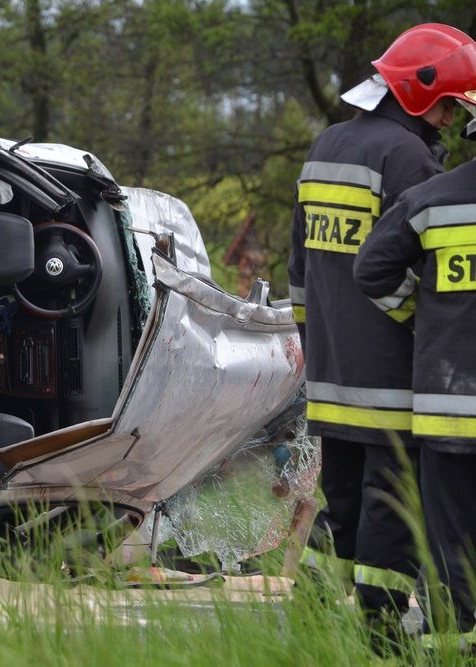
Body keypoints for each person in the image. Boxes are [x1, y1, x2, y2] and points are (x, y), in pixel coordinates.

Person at [288, 23, 476, 635]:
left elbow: (300, 266)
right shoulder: (409, 158)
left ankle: (310, 620)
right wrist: (425, 322)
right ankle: (382, 633)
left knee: (338, 507)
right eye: (450, 103)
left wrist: (313, 343)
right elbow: (414, 265)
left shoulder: (327, 144)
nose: (450, 119)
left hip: (332, 372)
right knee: (394, 513)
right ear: (422, 95)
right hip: (396, 379)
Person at [354, 113, 476, 640]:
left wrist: (419, 315)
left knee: (451, 543)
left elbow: (371, 270)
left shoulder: (432, 198)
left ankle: (452, 644)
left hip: (447, 413)